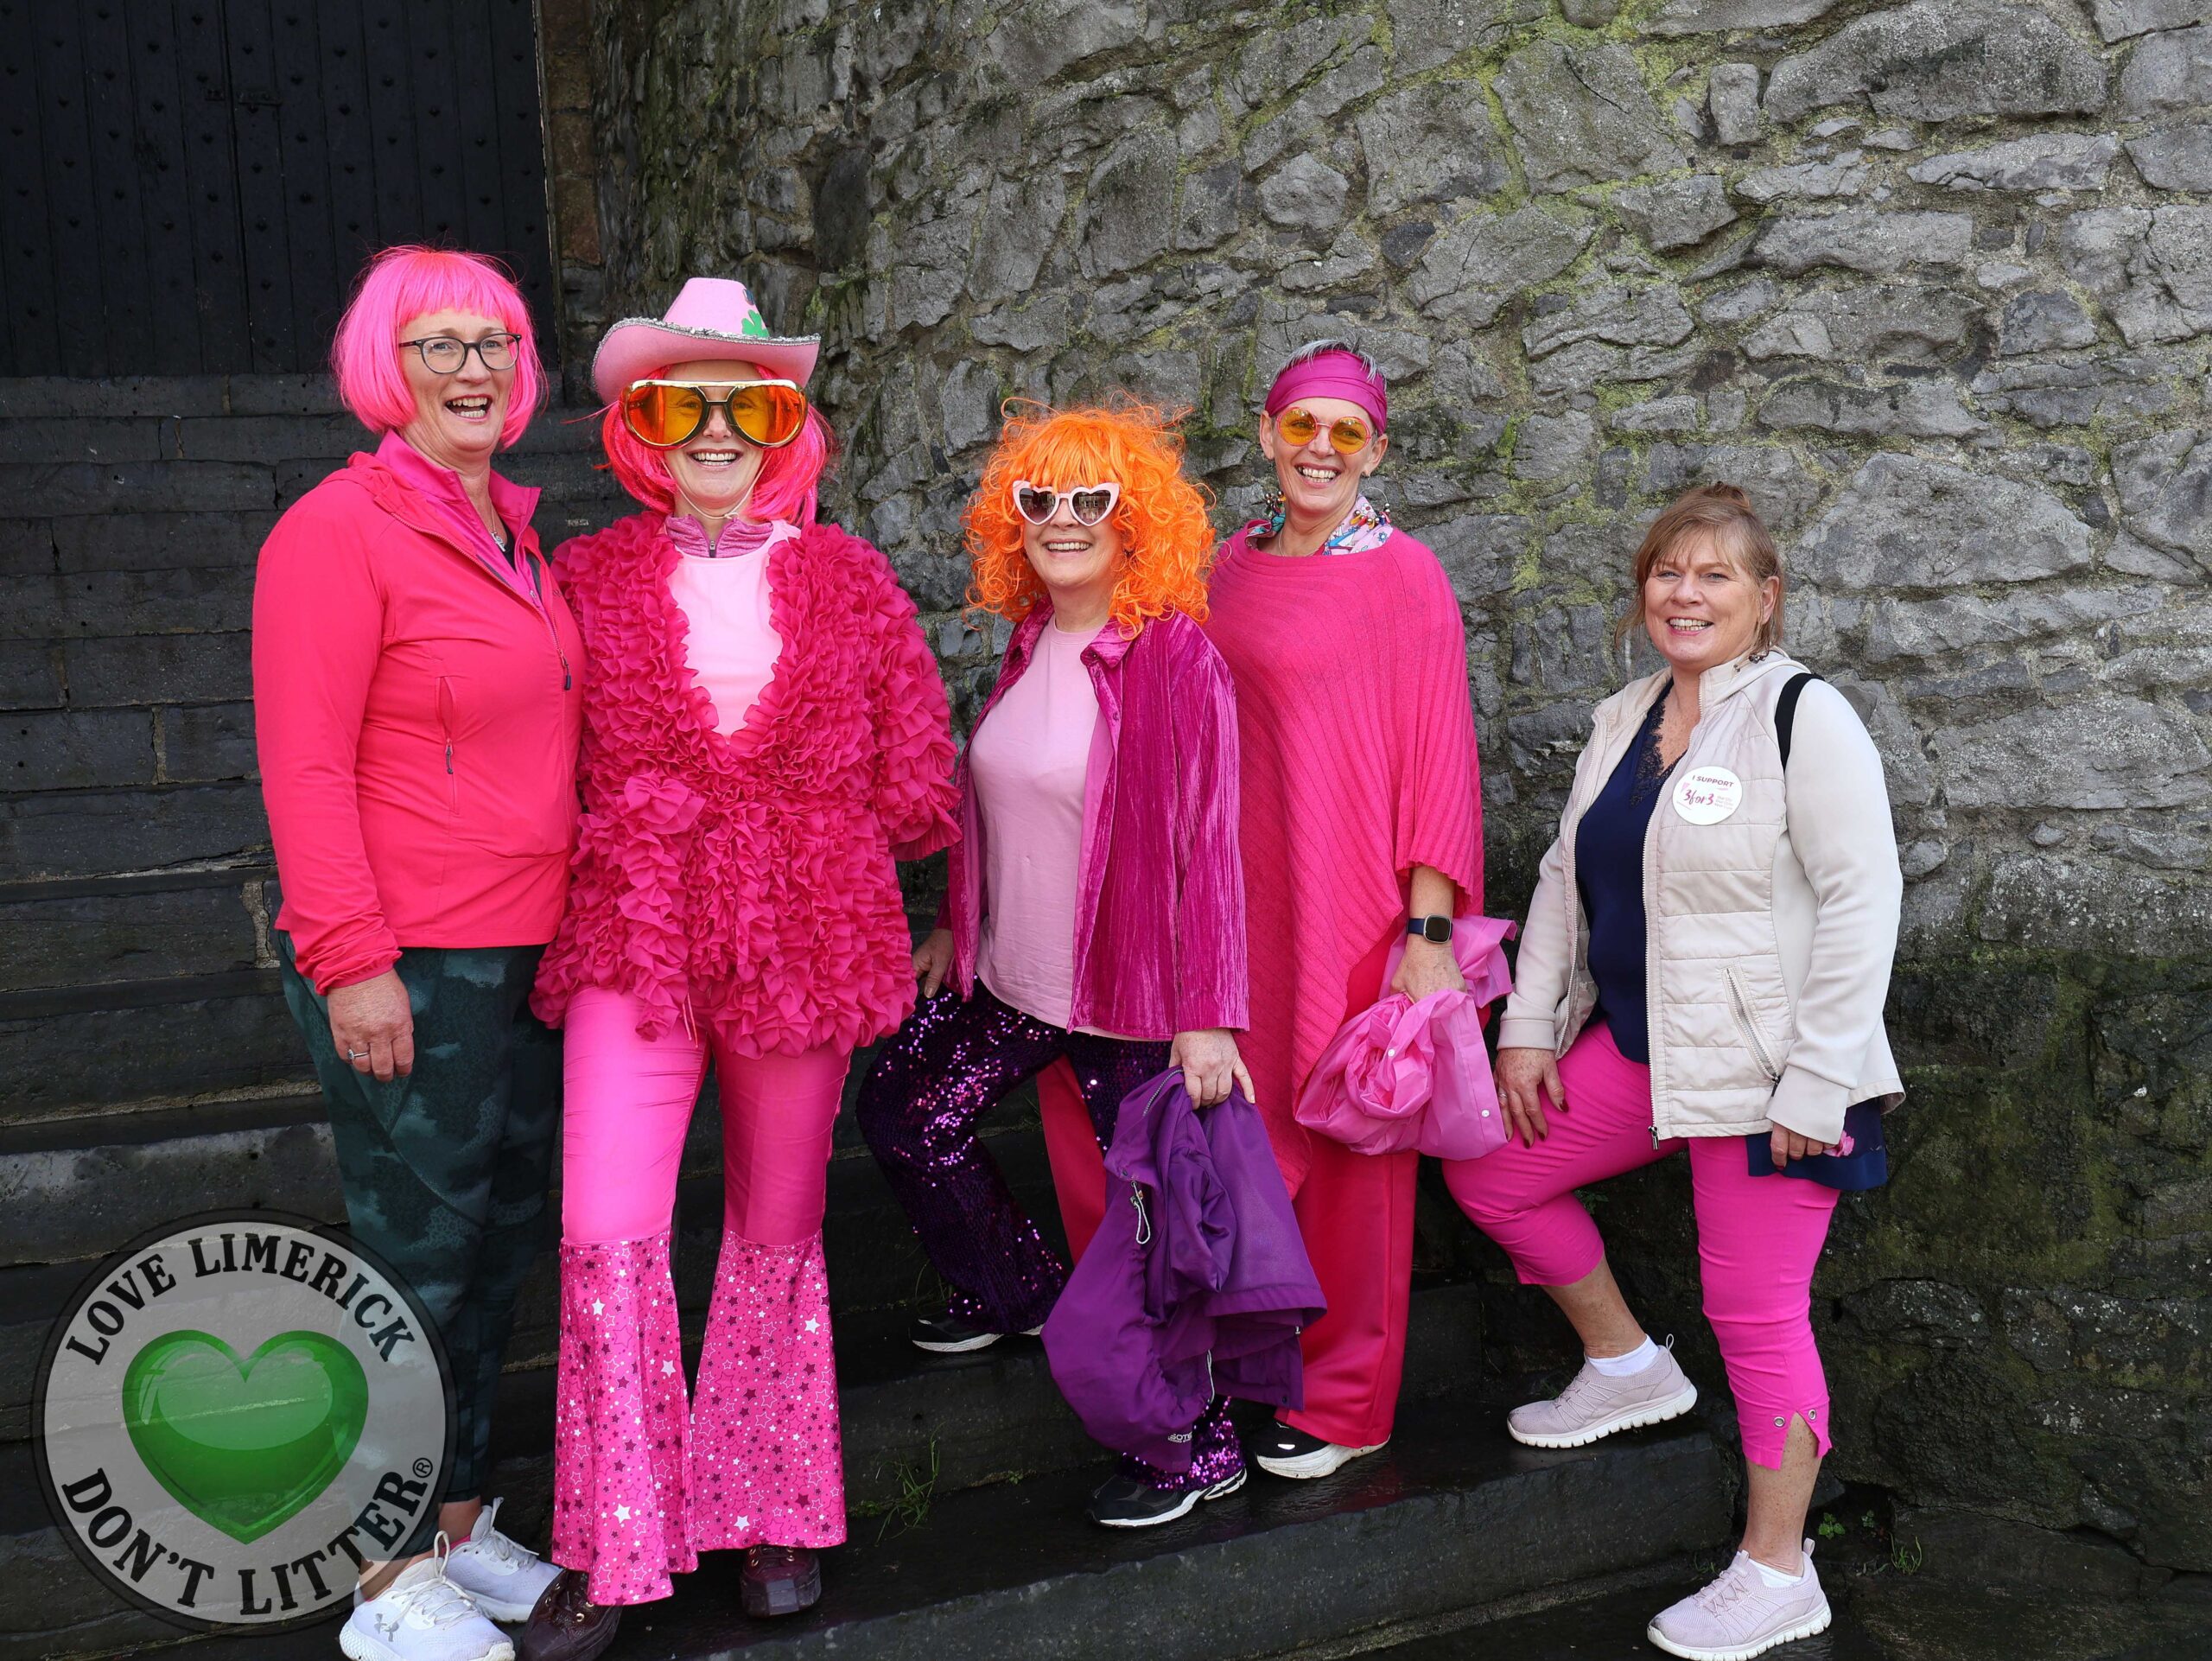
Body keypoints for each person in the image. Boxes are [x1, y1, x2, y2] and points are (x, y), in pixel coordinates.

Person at [517, 278, 957, 1660]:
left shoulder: (851, 579)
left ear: (789, 427)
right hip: (634, 919)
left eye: (750, 403)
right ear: (642, 427)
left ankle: (769, 1501)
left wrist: (864, 853)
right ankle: (616, 1533)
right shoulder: (583, 579)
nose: (717, 429)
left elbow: (922, 778)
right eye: (681, 404)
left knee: (776, 1221)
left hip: (805, 928)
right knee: (606, 1226)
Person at [1446, 483, 1904, 1661]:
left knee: (1756, 1317)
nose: (1685, 593)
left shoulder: (1807, 716)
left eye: (1714, 575)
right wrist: (1528, 1029)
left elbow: (1864, 900)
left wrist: (1819, 1083)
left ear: (1766, 599)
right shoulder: (1625, 717)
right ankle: (1626, 1363)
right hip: (1646, 1055)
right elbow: (1561, 878)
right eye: (1667, 572)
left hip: (1769, 1081)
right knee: (1492, 1168)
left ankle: (1777, 1565)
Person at [254, 245, 576, 1661]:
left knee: (492, 1255)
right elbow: (307, 765)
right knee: (411, 1267)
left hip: (525, 948)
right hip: (410, 956)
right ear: (390, 367)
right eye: (440, 344)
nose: (474, 370)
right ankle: (381, 1581)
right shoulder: (339, 528)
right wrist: (348, 956)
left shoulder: (513, 531)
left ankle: (451, 1526)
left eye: (495, 344)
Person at [854, 403, 1254, 1528]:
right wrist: (954, 920)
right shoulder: (1027, 641)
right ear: (1010, 523)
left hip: (1130, 997)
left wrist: (1209, 1013)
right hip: (1015, 978)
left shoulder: (1174, 654)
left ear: (1137, 523)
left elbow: (1209, 844)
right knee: (901, 1107)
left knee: (1156, 1224)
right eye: (1041, 500)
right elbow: (1003, 799)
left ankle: (1199, 1444)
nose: (1065, 520)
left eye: (1094, 500)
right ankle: (1015, 1286)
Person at [1194, 340, 1484, 1480]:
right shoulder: (1226, 562)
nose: (1320, 449)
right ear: (1265, 435)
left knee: (1360, 1148)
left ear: (1376, 450)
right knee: (1250, 1132)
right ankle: (1261, 1366)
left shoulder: (1404, 572)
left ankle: (1348, 1397)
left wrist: (1426, 934)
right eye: (1299, 426)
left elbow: (1438, 754)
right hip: (1245, 895)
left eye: (1345, 432)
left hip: (1362, 897)